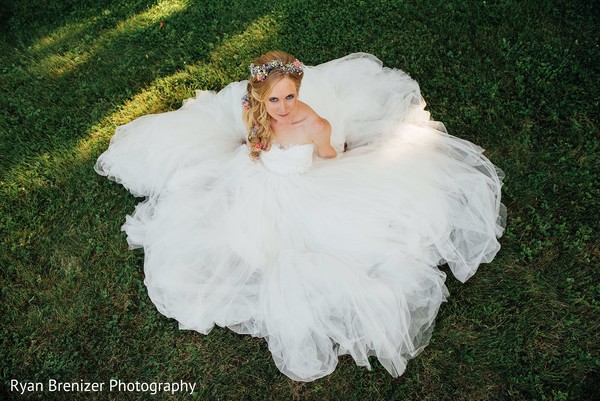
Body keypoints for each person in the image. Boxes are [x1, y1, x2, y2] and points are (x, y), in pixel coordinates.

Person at [95, 51, 506, 382]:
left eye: (290, 97)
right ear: (260, 99)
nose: (283, 108)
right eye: (274, 100)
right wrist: (256, 150)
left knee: (322, 238)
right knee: (222, 225)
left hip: (300, 186)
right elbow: (253, 136)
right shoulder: (254, 112)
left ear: (299, 91)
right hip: (255, 178)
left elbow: (329, 155)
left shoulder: (313, 123)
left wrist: (334, 157)